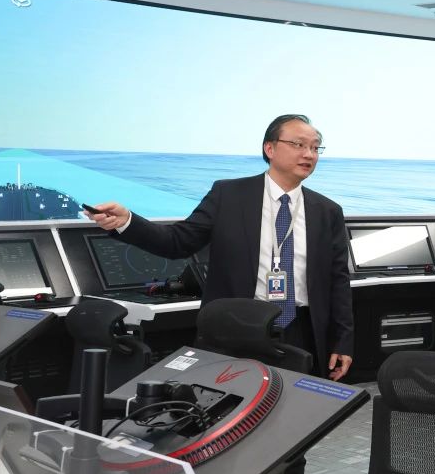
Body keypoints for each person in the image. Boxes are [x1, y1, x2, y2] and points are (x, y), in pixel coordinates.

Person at [86, 113, 353, 382]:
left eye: (315, 147)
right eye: (298, 144)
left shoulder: (327, 211)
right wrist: (127, 222)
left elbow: (338, 280)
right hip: (237, 327)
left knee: (298, 406)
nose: (308, 154)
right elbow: (178, 242)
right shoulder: (229, 195)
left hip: (301, 330)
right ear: (269, 148)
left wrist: (343, 341)